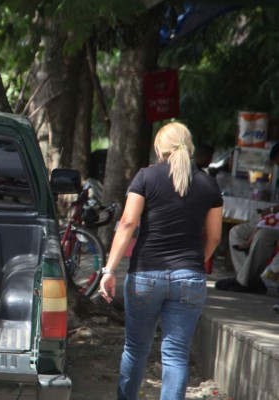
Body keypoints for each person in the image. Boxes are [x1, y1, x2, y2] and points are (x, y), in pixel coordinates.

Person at [98, 122, 223, 400]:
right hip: (189, 278)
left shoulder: (146, 177)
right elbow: (214, 238)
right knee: (176, 356)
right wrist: (192, 263)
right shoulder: (208, 183)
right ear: (189, 147)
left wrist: (109, 270)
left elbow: (128, 223)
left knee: (135, 349)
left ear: (159, 147)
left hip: (145, 276)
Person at [215, 141, 279, 294]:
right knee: (236, 232)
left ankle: (242, 281)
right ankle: (250, 280)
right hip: (273, 219)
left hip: (274, 222)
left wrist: (271, 209)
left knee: (262, 236)